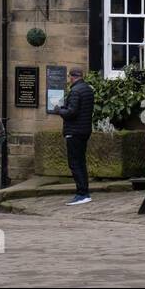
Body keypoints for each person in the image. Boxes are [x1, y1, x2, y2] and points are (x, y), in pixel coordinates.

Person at [56, 67, 94, 205]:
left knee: (74, 163)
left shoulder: (75, 91)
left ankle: (82, 193)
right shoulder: (88, 89)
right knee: (81, 162)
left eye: (69, 76)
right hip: (84, 130)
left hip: (74, 131)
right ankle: (85, 191)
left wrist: (59, 110)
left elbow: (72, 112)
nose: (69, 79)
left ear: (72, 76)